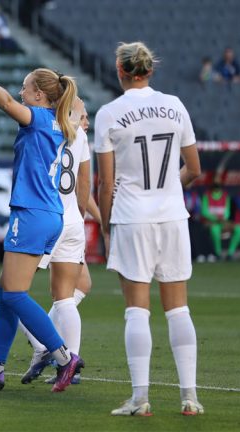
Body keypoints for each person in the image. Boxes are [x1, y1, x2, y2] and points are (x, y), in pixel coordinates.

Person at [0, 60, 83, 393]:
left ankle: (62, 356)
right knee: (5, 293)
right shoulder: (56, 122)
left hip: (31, 213)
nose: (20, 92)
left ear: (39, 94)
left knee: (13, 293)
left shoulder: (39, 117)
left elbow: (7, 104)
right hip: (48, 213)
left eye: (25, 87)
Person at [94, 41, 203, 416]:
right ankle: (190, 397)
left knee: (136, 312)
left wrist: (107, 225)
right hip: (172, 216)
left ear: (121, 70)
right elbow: (195, 168)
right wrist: (170, 189)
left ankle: (140, 399)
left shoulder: (109, 113)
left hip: (131, 218)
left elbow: (105, 185)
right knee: (179, 310)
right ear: (149, 70)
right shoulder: (175, 105)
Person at [19, 97, 91, 386]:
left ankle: (41, 346)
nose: (86, 121)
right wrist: (80, 216)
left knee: (11, 292)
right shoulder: (81, 135)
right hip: (72, 218)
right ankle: (68, 360)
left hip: (45, 216)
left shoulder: (44, 130)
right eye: (83, 114)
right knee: (65, 298)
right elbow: (85, 182)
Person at [202, 178, 240, 260]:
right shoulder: (207, 195)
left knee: (239, 229)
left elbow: (227, 211)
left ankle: (230, 253)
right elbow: (204, 211)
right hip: (212, 222)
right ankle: (218, 253)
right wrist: (215, 218)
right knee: (215, 230)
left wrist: (224, 219)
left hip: (223, 222)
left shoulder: (225, 196)